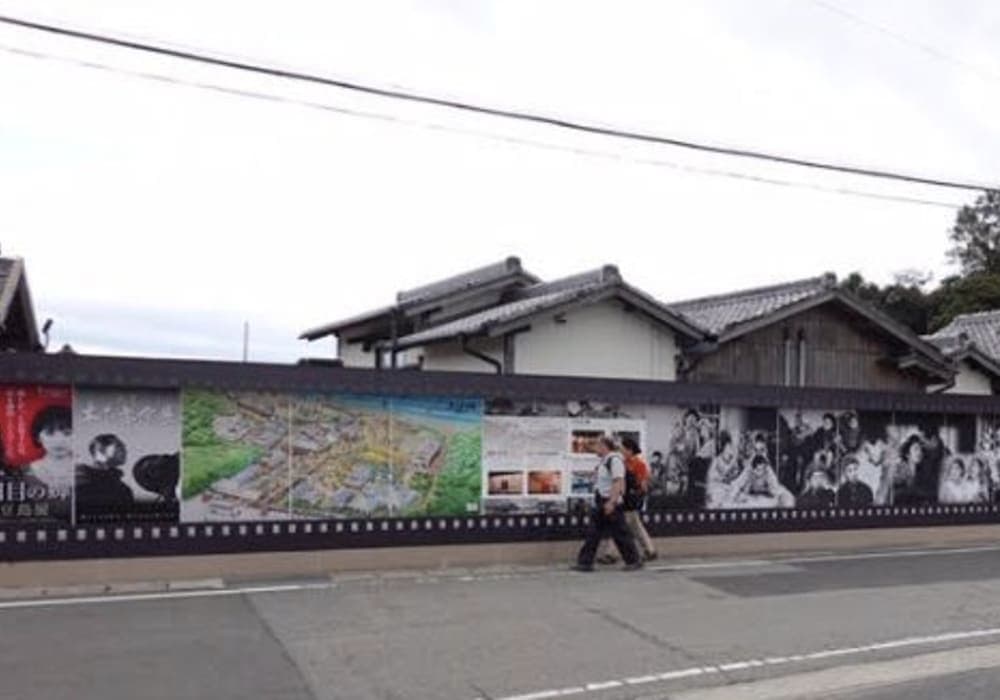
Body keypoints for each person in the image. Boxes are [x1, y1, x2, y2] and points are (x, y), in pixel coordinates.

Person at [573, 436, 642, 572]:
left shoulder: (614, 460)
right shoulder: (604, 461)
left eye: (597, 446)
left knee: (620, 533)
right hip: (602, 501)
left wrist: (612, 502)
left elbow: (618, 482)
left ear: (604, 446)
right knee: (593, 533)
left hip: (610, 501)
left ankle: (633, 560)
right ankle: (585, 563)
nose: (595, 449)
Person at [75, 433, 135, 513]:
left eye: (124, 447)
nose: (125, 450)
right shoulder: (79, 479)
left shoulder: (123, 489)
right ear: (100, 450)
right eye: (119, 446)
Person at [620, 437, 657, 561]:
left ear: (630, 450)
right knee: (633, 526)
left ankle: (610, 554)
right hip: (625, 498)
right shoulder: (622, 462)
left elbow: (643, 484)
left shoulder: (639, 464)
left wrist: (638, 496)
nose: (621, 451)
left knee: (624, 527)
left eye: (623, 449)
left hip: (631, 499)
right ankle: (649, 550)